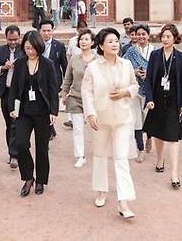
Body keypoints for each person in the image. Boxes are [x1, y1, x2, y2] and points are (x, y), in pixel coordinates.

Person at [81, 27, 139, 218]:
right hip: (101, 118)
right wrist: (90, 114)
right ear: (101, 46)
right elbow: (87, 92)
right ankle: (101, 190)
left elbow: (135, 85)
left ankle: (124, 203)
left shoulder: (126, 64)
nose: (115, 44)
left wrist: (125, 92)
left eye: (116, 41)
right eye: (110, 41)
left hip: (122, 118)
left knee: (121, 159)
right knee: (100, 156)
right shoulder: (93, 67)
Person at [8, 31, 59, 196]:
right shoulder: (21, 63)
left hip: (43, 112)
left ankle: (41, 180)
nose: (30, 51)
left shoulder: (48, 64)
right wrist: (11, 108)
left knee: (42, 148)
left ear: (39, 46)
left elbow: (52, 90)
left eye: (33, 48)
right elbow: (14, 87)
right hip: (24, 112)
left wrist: (53, 111)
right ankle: (28, 177)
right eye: (27, 48)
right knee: (21, 144)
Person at [143, 24, 182, 188]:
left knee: (173, 136)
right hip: (157, 99)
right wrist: (149, 98)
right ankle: (160, 158)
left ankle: (175, 173)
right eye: (163, 36)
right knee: (158, 133)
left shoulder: (181, 57)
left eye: (168, 36)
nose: (165, 39)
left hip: (174, 101)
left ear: (175, 38)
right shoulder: (155, 55)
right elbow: (148, 80)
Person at [61, 28, 97, 168]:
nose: (83, 41)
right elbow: (68, 77)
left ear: (92, 42)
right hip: (76, 97)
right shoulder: (74, 59)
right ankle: (80, 155)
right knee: (77, 128)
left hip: (94, 100)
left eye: (86, 39)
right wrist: (64, 93)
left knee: (96, 127)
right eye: (81, 39)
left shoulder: (98, 60)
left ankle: (99, 152)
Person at [122, 24, 154, 163]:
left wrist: (150, 74)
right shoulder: (130, 52)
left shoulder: (155, 51)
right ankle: (140, 149)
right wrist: (133, 72)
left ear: (148, 35)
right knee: (136, 120)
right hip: (135, 90)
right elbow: (122, 67)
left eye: (143, 34)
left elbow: (161, 70)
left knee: (148, 118)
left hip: (150, 91)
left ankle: (150, 138)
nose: (141, 37)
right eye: (138, 34)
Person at [0, 25, 23, 170]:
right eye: (10, 40)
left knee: (16, 123)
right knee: (9, 124)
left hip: (19, 93)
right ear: (6, 38)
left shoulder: (24, 50)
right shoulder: (0, 50)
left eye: (15, 39)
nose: (13, 42)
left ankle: (15, 154)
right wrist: (3, 67)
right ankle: (12, 152)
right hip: (5, 92)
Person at [40, 19, 68, 140]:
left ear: (52, 31)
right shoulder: (36, 45)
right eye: (44, 31)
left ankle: (50, 128)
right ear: (39, 31)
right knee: (42, 105)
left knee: (51, 105)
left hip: (54, 81)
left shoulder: (59, 46)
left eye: (48, 31)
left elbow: (64, 65)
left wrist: (66, 85)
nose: (46, 33)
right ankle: (49, 129)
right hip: (39, 80)